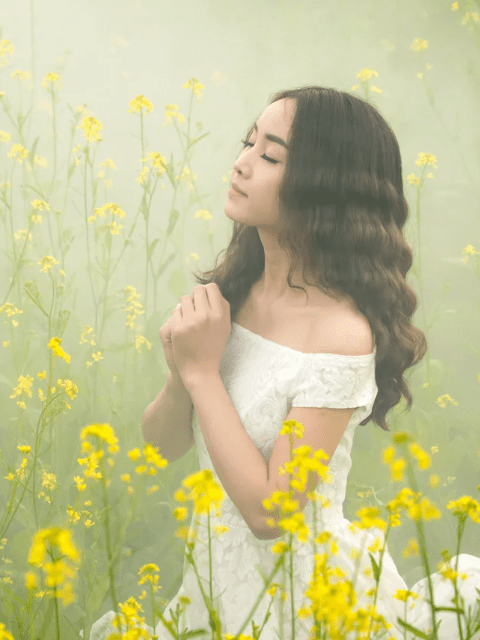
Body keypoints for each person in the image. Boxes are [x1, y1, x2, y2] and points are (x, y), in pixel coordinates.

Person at [88, 87, 480, 640]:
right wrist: (183, 372)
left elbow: (272, 515)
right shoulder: (236, 294)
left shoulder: (340, 334)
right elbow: (161, 447)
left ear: (326, 188)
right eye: (248, 142)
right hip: (214, 589)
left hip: (301, 603)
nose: (242, 163)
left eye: (270, 156)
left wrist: (202, 372)